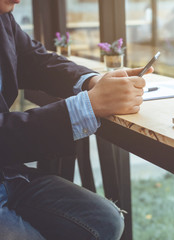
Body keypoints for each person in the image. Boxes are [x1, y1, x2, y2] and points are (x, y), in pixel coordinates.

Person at [0, 0, 153, 239]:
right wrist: (87, 106)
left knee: (105, 221)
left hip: (7, 172)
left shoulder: (2, 16)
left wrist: (93, 81)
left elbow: (34, 59)